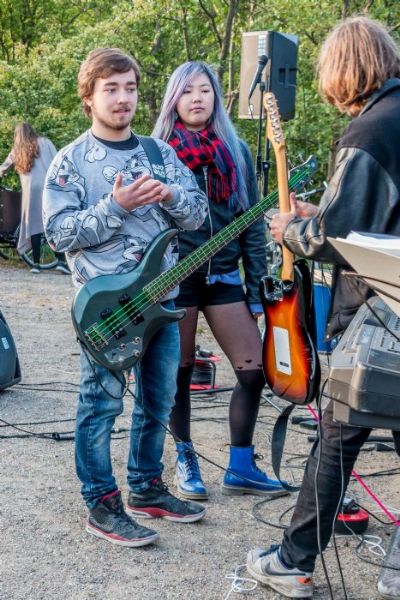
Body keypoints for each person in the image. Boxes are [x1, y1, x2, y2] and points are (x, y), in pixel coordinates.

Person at [246, 16, 400, 598]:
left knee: (337, 435)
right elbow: (376, 216)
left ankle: (292, 561)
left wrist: (292, 229)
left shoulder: (371, 131)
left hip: (382, 315)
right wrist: (323, 214)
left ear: (342, 72)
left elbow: (338, 236)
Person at [43, 48, 209, 547]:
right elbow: (57, 234)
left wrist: (171, 196)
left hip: (162, 303)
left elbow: (198, 215)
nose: (122, 98)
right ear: (88, 98)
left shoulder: (160, 154)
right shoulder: (70, 162)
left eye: (130, 88)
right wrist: (114, 206)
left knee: (158, 399)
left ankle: (146, 487)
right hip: (106, 311)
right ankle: (101, 503)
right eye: (111, 89)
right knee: (101, 404)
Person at [153, 61, 286, 500]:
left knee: (253, 370)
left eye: (205, 90)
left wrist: (256, 289)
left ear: (216, 97)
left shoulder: (236, 150)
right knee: (179, 373)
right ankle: (185, 458)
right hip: (178, 279)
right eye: (187, 90)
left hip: (225, 275)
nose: (197, 98)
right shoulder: (157, 152)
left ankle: (241, 466)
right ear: (174, 98)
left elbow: (251, 225)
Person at [0, 123, 69, 274]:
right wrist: (63, 184)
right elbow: (58, 163)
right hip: (48, 189)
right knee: (50, 223)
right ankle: (61, 261)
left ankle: (36, 265)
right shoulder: (45, 142)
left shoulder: (18, 150)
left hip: (30, 193)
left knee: (34, 227)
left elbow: (3, 168)